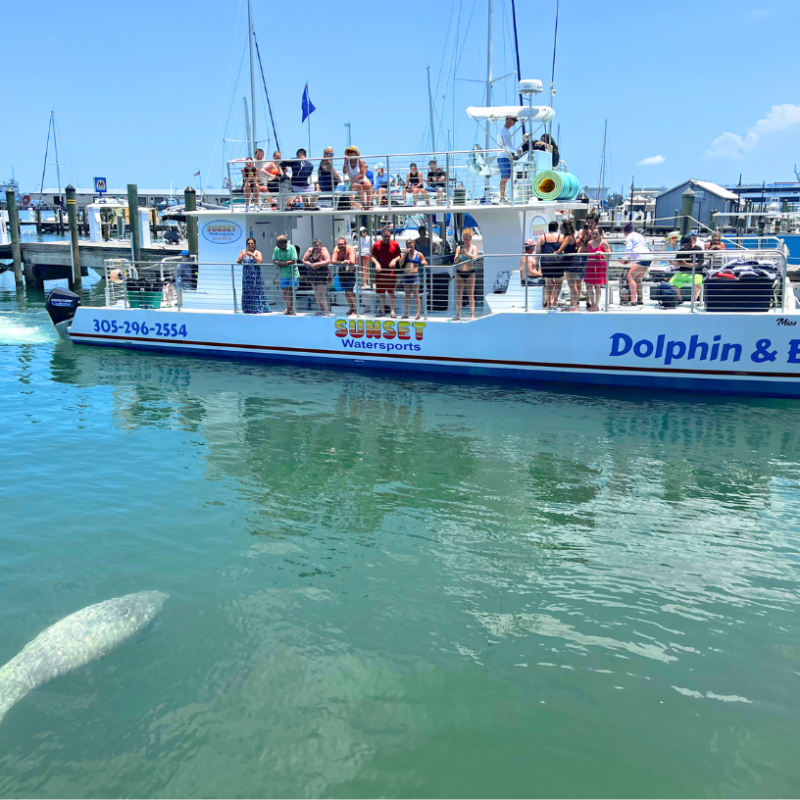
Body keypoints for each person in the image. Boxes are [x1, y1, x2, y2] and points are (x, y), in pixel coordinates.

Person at [393, 237, 427, 320]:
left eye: (411, 246)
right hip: (406, 276)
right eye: (408, 246)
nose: (410, 248)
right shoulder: (406, 254)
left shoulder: (419, 254)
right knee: (407, 295)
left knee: (416, 295)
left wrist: (423, 262)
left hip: (415, 276)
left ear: (414, 245)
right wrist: (404, 254)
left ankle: (417, 313)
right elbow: (400, 264)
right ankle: (406, 313)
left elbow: (425, 262)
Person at [371, 227, 401, 317]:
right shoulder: (376, 245)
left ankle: (392, 311)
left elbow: (399, 255)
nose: (387, 238)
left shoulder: (395, 244)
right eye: (385, 236)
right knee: (381, 293)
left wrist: (395, 260)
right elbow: (372, 256)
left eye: (388, 236)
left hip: (391, 272)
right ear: (381, 236)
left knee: (391, 292)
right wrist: (376, 264)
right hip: (380, 273)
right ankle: (382, 311)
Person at [237, 237, 270, 314]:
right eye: (248, 243)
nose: (250, 245)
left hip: (256, 275)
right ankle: (247, 308)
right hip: (247, 276)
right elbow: (238, 260)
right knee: (247, 291)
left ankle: (258, 308)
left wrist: (252, 255)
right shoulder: (243, 252)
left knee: (257, 291)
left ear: (255, 244)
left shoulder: (257, 252)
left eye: (252, 243)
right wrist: (241, 259)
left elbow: (260, 261)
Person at [621, 221, 651, 305]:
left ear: (625, 232)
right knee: (637, 279)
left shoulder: (629, 237)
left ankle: (633, 300)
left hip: (641, 257)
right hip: (648, 258)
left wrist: (624, 259)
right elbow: (637, 249)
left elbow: (628, 250)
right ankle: (640, 299)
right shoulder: (639, 236)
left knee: (630, 276)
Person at [537, 221, 564, 309]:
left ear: (548, 228)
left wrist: (536, 263)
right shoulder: (561, 237)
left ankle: (548, 303)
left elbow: (538, 251)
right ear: (557, 228)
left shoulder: (542, 237)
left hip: (545, 262)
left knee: (548, 283)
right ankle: (555, 301)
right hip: (558, 262)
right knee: (559, 282)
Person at [553, 220, 580, 311]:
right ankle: (573, 305)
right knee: (571, 284)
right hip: (571, 262)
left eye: (561, 228)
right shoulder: (571, 236)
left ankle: (574, 306)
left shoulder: (568, 237)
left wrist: (557, 252)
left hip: (571, 263)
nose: (560, 229)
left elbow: (560, 250)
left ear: (565, 228)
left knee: (572, 285)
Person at [453, 227, 479, 320]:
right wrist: (459, 254)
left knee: (470, 295)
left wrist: (467, 254)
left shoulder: (473, 247)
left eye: (467, 239)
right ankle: (458, 314)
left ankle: (472, 314)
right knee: (459, 295)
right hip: (460, 272)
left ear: (470, 239)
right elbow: (455, 260)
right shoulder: (459, 248)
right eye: (464, 239)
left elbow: (475, 258)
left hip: (470, 273)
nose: (466, 241)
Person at [583, 228, 610, 312]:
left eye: (596, 234)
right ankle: (593, 303)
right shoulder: (589, 243)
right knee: (588, 285)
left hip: (599, 266)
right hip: (590, 265)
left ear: (601, 235)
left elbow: (609, 256)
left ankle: (596, 305)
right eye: (593, 234)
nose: (594, 236)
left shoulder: (604, 243)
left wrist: (602, 253)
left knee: (597, 286)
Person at [670, 234, 704, 301]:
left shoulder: (698, 249)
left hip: (696, 272)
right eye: (683, 245)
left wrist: (686, 264)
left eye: (686, 245)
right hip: (683, 272)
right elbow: (677, 263)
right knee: (672, 282)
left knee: (697, 282)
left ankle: (694, 300)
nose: (684, 246)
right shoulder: (681, 250)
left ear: (691, 242)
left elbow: (698, 264)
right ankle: (679, 300)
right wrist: (676, 263)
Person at [302, 239, 332, 315]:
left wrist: (316, 264)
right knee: (316, 293)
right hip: (313, 275)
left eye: (317, 245)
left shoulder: (324, 250)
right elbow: (304, 260)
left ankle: (326, 310)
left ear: (320, 245)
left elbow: (328, 260)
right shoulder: (310, 250)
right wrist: (310, 264)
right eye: (315, 246)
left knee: (322, 293)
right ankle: (320, 309)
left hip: (323, 275)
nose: (316, 247)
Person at [331, 236, 358, 315]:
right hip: (342, 272)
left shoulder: (350, 249)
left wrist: (348, 261)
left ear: (345, 244)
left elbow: (352, 261)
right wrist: (343, 262)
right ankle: (351, 308)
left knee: (350, 291)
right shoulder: (336, 249)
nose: (340, 246)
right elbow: (333, 261)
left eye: (342, 244)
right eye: (339, 244)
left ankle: (356, 309)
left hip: (350, 272)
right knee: (346, 291)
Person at [273, 234, 299, 315]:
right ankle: (288, 308)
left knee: (291, 292)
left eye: (277, 242)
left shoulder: (292, 248)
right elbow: (274, 260)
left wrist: (284, 263)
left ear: (283, 243)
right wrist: (278, 263)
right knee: (285, 292)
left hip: (293, 274)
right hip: (283, 275)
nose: (276, 244)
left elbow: (294, 260)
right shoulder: (276, 249)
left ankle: (292, 309)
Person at [496, 115, 515, 202]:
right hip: (502, 156)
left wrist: (513, 154)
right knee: (505, 177)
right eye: (513, 120)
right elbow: (505, 145)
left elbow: (509, 145)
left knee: (507, 176)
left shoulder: (507, 131)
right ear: (508, 120)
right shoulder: (502, 131)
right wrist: (515, 151)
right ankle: (501, 198)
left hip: (507, 156)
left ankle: (503, 197)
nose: (514, 123)